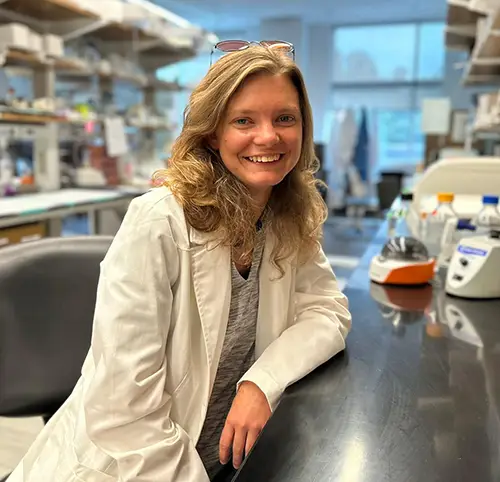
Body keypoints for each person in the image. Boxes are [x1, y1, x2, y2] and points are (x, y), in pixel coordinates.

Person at [7, 43, 351, 482]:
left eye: (285, 118)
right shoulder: (158, 222)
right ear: (213, 134)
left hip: (221, 463)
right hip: (130, 468)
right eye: (243, 120)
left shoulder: (285, 216)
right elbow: (123, 411)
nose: (269, 136)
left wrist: (261, 382)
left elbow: (327, 310)